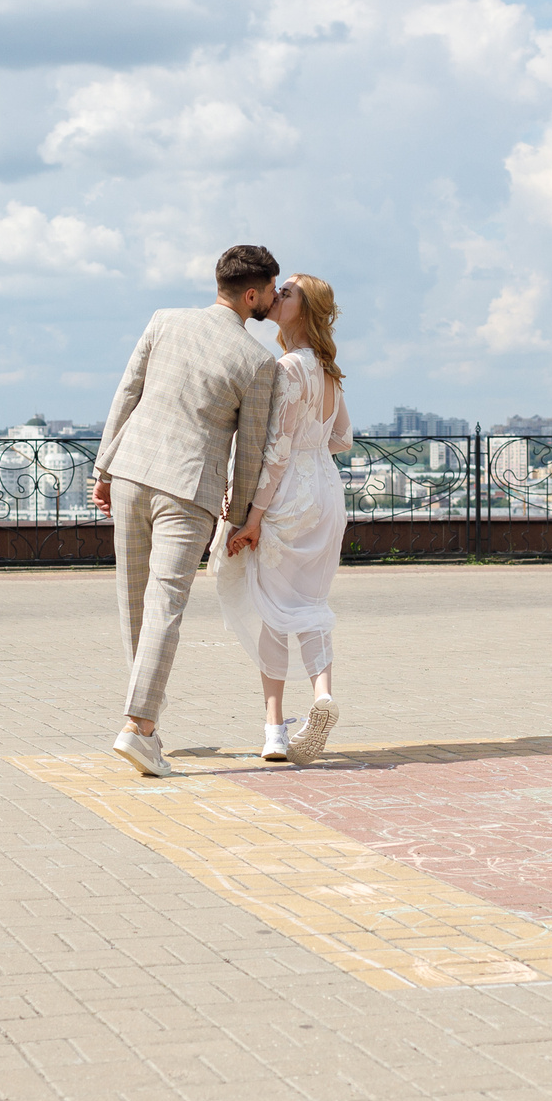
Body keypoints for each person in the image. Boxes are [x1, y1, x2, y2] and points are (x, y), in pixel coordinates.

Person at [90, 246, 283, 779]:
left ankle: (144, 721)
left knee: (135, 602)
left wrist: (105, 470)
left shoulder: (164, 321)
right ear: (251, 294)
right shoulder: (258, 361)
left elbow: (125, 395)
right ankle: (139, 727)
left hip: (132, 473)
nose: (272, 296)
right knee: (166, 605)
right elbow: (250, 449)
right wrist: (241, 516)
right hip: (189, 491)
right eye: (270, 288)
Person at [217, 273, 350, 764]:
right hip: (327, 492)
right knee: (310, 600)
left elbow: (276, 450)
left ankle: (274, 729)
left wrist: (253, 515)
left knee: (272, 607)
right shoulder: (329, 370)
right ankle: (321, 696)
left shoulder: (288, 368)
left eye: (287, 293)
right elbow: (343, 439)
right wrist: (313, 450)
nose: (277, 296)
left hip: (290, 491)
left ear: (303, 309)